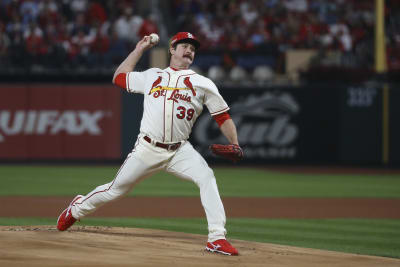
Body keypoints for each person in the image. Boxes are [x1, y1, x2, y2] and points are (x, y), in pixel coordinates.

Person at [57, 32, 242, 256]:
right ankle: (77, 208)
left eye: (193, 48)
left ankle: (216, 237)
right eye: (184, 45)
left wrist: (235, 143)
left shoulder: (203, 83)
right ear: (172, 50)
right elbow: (119, 77)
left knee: (207, 178)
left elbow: (222, 116)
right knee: (115, 190)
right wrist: (139, 50)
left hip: (180, 150)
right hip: (147, 148)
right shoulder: (152, 76)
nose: (189, 50)